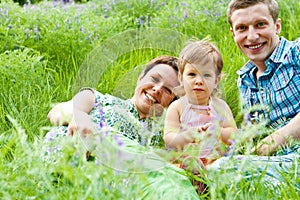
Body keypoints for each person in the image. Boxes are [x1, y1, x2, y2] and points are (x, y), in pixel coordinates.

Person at [44, 55, 200, 199]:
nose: (158, 89)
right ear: (140, 78)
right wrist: (80, 116)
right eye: (154, 78)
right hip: (77, 158)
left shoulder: (162, 135)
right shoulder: (102, 100)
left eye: (168, 90)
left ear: (171, 102)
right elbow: (58, 112)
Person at [208, 0, 300, 192]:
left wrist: (271, 143)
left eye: (260, 24)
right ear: (233, 34)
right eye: (242, 28)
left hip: (286, 157)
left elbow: (266, 145)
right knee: (217, 170)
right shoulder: (245, 81)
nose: (252, 36)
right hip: (282, 164)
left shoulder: (296, 53)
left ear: (277, 26)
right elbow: (254, 135)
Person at [163, 39, 238, 193]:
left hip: (214, 161)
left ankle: (208, 183)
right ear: (181, 78)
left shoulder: (220, 107)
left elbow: (234, 134)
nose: (198, 81)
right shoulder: (177, 107)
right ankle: (196, 184)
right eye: (192, 74)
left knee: (228, 167)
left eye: (206, 75)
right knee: (176, 168)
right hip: (184, 160)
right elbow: (169, 137)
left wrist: (219, 132)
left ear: (216, 80)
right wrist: (188, 135)